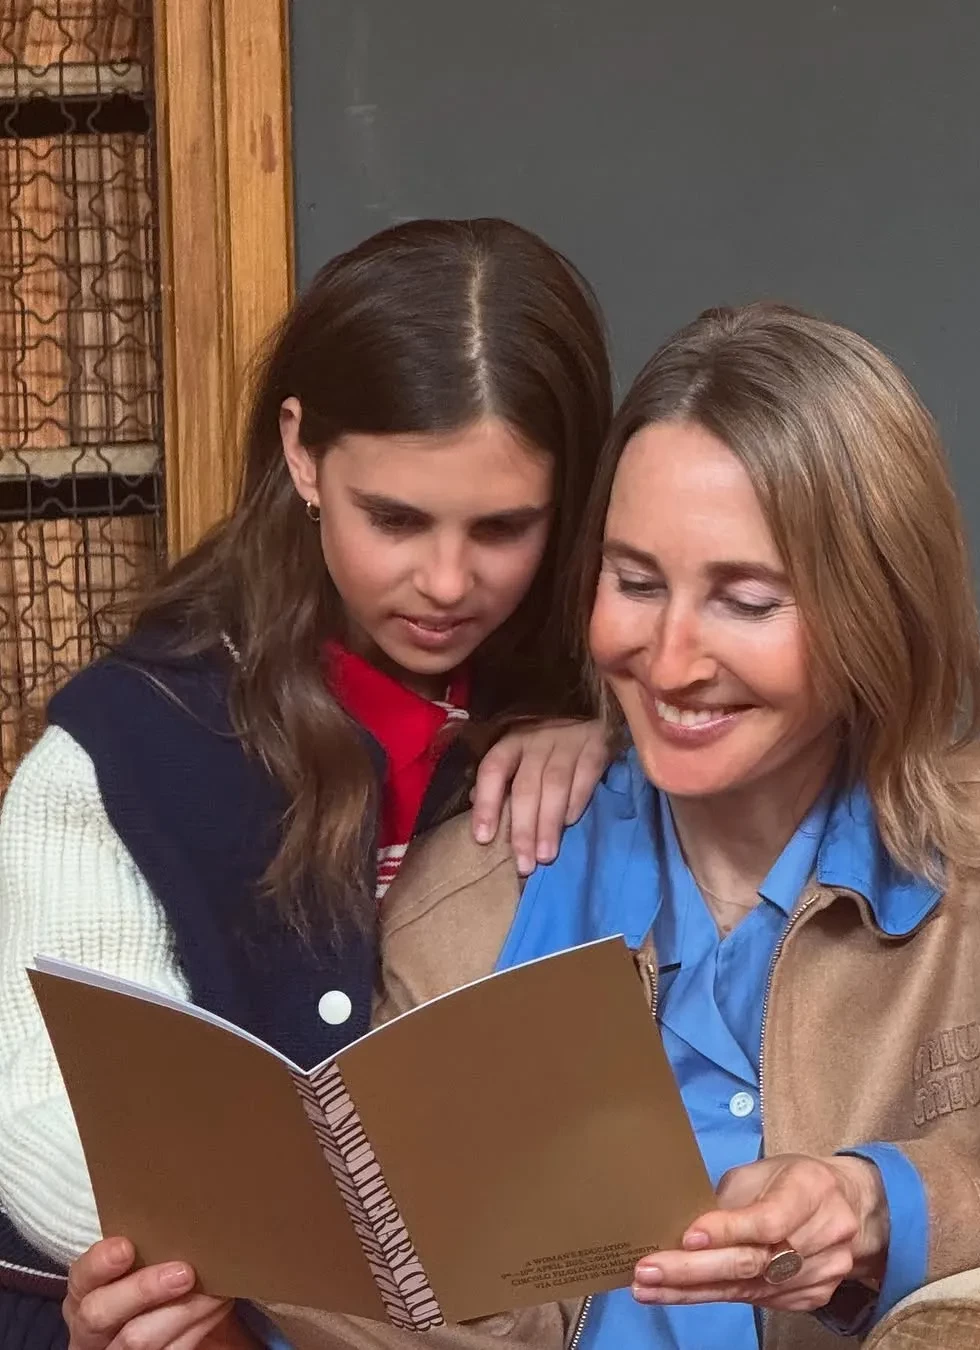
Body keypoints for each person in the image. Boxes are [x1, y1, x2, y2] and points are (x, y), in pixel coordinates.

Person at [64, 302, 980, 1350]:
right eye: (634, 583)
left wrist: (879, 1205)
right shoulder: (472, 895)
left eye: (745, 600)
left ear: (881, 600)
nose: (669, 660)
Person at [0, 218, 615, 1349]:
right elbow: (50, 1120)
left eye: (503, 527)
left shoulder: (605, 700)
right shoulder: (121, 749)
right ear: (300, 453)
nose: (447, 582)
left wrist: (617, 734)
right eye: (396, 519)